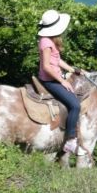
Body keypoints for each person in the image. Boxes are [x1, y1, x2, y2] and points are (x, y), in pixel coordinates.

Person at [37, 9, 82, 154]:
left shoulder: (49, 40)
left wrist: (71, 68)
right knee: (75, 105)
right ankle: (70, 140)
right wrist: (62, 81)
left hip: (55, 77)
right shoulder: (46, 43)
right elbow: (46, 66)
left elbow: (56, 60)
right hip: (50, 81)